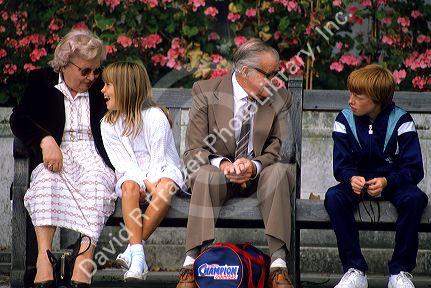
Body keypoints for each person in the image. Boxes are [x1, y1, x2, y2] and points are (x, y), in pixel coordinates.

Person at [177, 39, 294, 288]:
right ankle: (193, 263)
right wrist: (223, 164)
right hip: (217, 177)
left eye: (276, 74)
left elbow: (284, 148)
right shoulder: (205, 91)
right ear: (244, 71)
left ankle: (278, 266)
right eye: (268, 74)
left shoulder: (279, 97)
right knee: (206, 174)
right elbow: (194, 149)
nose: (274, 80)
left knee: (278, 173)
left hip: (261, 178)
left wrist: (255, 166)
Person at [9, 29, 116, 287]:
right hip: (57, 151)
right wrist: (45, 140)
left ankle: (83, 263)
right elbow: (18, 118)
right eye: (85, 71)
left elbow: (133, 109)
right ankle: (44, 262)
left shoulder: (101, 86)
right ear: (65, 64)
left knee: (98, 185)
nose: (93, 77)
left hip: (93, 154)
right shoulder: (41, 82)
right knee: (46, 181)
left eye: (96, 70)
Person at [324, 64, 428, 288]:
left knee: (415, 199)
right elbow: (340, 165)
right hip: (357, 183)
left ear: (377, 99)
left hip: (393, 181)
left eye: (358, 96)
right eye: (350, 93)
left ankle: (399, 273)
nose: (351, 100)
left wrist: (388, 181)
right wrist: (351, 178)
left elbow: (414, 168)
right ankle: (355, 270)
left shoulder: (401, 120)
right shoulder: (344, 120)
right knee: (334, 197)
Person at [100, 61, 185, 282]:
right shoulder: (108, 124)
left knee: (166, 186)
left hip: (163, 170)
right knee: (128, 187)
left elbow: (159, 161)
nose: (102, 90)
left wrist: (152, 185)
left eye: (108, 85)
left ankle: (133, 252)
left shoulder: (155, 117)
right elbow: (123, 164)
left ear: (125, 87)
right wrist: (144, 184)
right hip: (133, 175)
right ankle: (138, 256)